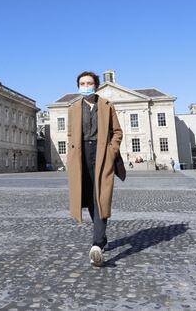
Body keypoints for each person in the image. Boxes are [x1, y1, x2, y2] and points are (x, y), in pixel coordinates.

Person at [66, 71, 123, 267]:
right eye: (82, 83)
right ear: (78, 86)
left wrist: (111, 151)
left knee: (101, 197)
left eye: (89, 83)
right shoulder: (73, 107)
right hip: (80, 156)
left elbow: (117, 132)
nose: (86, 86)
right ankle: (102, 236)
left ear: (96, 85)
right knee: (89, 199)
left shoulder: (107, 106)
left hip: (101, 155)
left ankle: (97, 245)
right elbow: (71, 134)